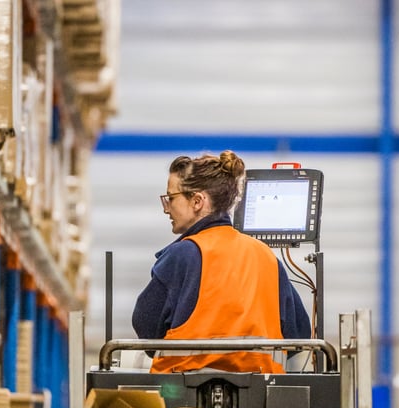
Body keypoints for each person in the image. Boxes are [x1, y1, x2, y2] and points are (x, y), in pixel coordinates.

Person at [132, 150, 311, 374]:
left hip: (181, 390)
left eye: (171, 198)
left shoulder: (181, 255)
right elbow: (298, 333)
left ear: (197, 201)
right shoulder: (265, 256)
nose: (166, 208)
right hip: (261, 391)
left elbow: (146, 327)